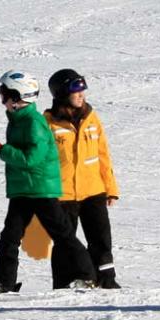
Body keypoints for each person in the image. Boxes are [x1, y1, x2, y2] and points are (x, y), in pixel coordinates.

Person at [0, 70, 95, 293]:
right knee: (10, 236)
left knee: (62, 235)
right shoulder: (18, 119)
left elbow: (32, 159)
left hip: (40, 189)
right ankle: (3, 283)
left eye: (4, 94)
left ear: (17, 96)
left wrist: (3, 150)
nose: (2, 99)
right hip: (24, 189)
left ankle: (87, 276)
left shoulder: (33, 122)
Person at [41, 68, 124, 289]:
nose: (82, 95)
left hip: (93, 190)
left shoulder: (92, 118)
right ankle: (63, 284)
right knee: (65, 242)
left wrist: (111, 188)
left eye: (83, 89)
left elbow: (103, 155)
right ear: (61, 93)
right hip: (63, 193)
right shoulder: (48, 122)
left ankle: (106, 280)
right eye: (75, 90)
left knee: (101, 239)